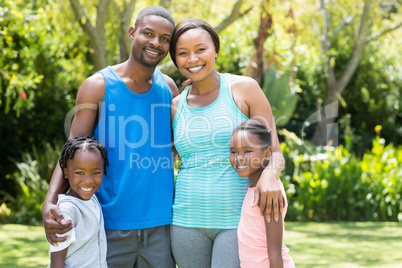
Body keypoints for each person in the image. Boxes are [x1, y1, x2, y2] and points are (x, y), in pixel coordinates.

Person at [42, 6, 179, 267]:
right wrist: (49, 202)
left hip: (161, 225)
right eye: (148, 33)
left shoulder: (169, 90)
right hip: (107, 223)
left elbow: (178, 148)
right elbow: (70, 151)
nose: (155, 43)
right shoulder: (98, 86)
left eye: (165, 39)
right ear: (132, 32)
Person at [169, 18, 286, 267]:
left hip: (236, 221)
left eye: (201, 49)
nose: (192, 59)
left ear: (215, 50)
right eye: (182, 53)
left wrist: (269, 176)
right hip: (185, 221)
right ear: (175, 59)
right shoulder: (175, 106)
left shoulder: (244, 89)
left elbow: (274, 151)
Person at [230, 119, 295, 268]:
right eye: (233, 152)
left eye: (247, 151)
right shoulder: (253, 188)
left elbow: (275, 253)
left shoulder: (268, 193)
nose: (239, 158)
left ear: (267, 153)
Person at [48, 136, 109, 268]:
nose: (88, 180)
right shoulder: (66, 211)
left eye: (95, 172)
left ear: (103, 172)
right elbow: (57, 261)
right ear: (66, 172)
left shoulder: (92, 199)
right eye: (80, 172)